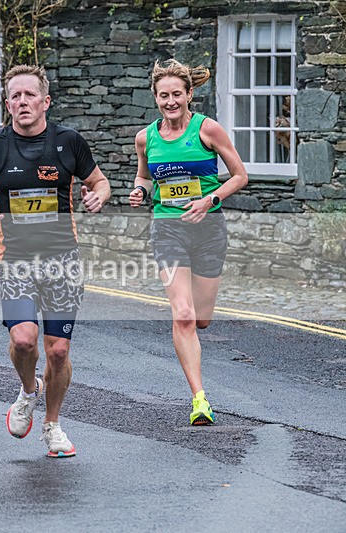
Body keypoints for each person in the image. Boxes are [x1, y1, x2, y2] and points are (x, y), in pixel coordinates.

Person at [0, 65, 110, 458]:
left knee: (58, 351)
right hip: (16, 260)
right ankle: (29, 391)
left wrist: (98, 195)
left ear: (45, 101)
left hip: (62, 259)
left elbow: (99, 180)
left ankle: (52, 424)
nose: (23, 102)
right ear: (7, 103)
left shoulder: (68, 142)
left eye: (30, 95)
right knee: (24, 340)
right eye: (16, 96)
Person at [129, 59, 248, 425]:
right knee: (182, 315)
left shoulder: (207, 129)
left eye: (176, 94)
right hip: (168, 229)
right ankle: (199, 398)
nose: (170, 102)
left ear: (189, 94)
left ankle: (195, 355)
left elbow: (240, 176)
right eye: (163, 96)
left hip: (209, 229)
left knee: (201, 319)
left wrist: (210, 199)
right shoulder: (145, 138)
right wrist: (139, 191)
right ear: (155, 98)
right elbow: (145, 179)